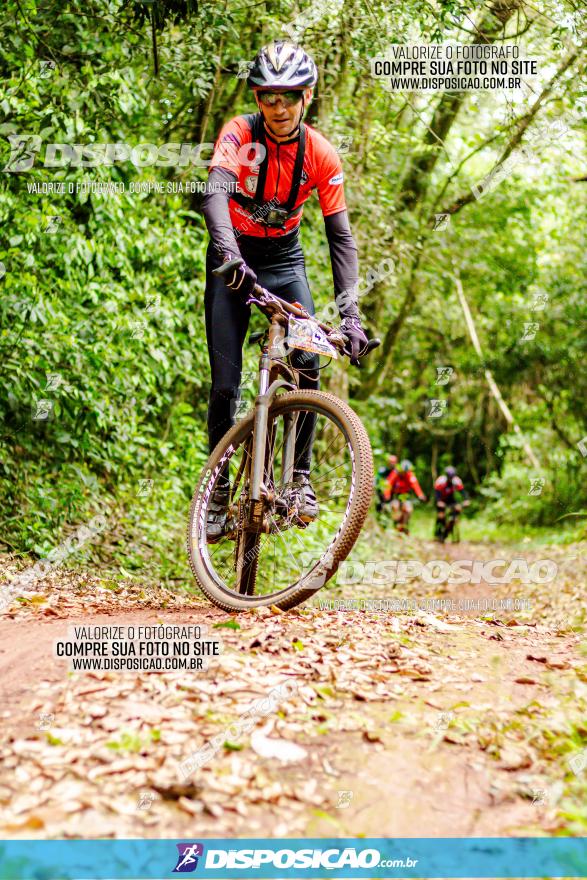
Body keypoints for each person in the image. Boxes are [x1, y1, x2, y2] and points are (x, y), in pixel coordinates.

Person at [201, 41, 370, 541]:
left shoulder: (319, 152)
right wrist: (228, 255)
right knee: (226, 386)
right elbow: (214, 193)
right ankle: (220, 487)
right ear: (257, 97)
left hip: (284, 262)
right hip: (232, 258)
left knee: (308, 361)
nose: (278, 108)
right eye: (268, 97)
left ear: (307, 96)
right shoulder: (239, 132)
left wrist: (352, 314)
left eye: (289, 97)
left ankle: (299, 480)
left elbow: (340, 236)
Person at [382, 459, 427, 534]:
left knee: (408, 510)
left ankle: (405, 527)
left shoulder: (410, 474)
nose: (404, 473)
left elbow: (415, 485)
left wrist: (420, 495)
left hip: (405, 495)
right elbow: (388, 484)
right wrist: (387, 495)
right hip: (395, 495)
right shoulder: (395, 472)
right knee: (395, 508)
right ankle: (396, 525)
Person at [434, 465, 470, 539]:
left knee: (457, 510)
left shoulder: (456, 481)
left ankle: (448, 529)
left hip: (451, 500)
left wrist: (466, 500)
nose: (451, 479)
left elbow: (463, 492)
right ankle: (438, 530)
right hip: (441, 499)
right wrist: (438, 501)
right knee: (441, 516)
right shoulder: (440, 481)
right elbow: (436, 493)